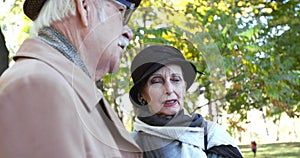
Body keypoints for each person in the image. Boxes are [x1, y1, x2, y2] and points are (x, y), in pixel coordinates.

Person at [0, 0, 142, 157]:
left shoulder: (62, 88)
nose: (128, 32)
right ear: (85, 7)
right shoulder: (37, 87)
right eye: (122, 13)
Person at [129, 45, 243, 158]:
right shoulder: (129, 147)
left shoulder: (212, 137)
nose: (169, 89)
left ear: (184, 88)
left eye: (175, 80)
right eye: (157, 81)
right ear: (141, 96)